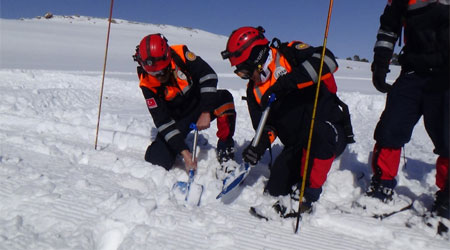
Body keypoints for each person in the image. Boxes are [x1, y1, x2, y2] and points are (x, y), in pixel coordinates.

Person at [221, 26, 354, 216]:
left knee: (318, 132)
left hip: (329, 131)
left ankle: (309, 195)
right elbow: (267, 127)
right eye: (240, 74)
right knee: (275, 188)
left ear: (257, 59)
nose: (246, 77)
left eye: (245, 71)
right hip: (297, 144)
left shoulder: (290, 53)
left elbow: (328, 61)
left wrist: (285, 84)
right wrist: (258, 147)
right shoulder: (254, 92)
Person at [367, 0, 449, 219]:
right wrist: (380, 64)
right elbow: (388, 29)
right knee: (390, 128)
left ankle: (447, 196)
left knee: (447, 137)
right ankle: (383, 183)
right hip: (413, 71)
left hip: (446, 74)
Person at [133, 33, 236, 173]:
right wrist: (184, 152)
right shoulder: (146, 83)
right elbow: (162, 121)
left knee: (224, 99)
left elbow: (209, 75)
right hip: (178, 119)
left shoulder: (181, 54)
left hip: (200, 105)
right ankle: (173, 145)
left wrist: (206, 111)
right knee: (158, 159)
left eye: (162, 71)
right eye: (154, 74)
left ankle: (226, 149)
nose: (159, 77)